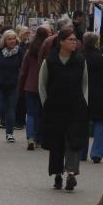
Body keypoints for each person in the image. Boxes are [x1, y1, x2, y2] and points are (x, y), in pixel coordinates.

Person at [40, 28, 89, 191]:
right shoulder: (50, 61)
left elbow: (85, 84)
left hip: (75, 107)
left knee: (73, 141)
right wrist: (45, 103)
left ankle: (71, 174)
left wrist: (84, 102)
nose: (74, 42)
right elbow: (42, 84)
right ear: (61, 41)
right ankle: (57, 174)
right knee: (57, 142)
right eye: (70, 40)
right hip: (54, 108)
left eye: (75, 40)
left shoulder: (80, 61)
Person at [18, 26, 51, 149]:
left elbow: (23, 71)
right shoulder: (48, 51)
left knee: (31, 113)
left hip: (30, 85)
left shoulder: (29, 51)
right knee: (42, 113)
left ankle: (30, 138)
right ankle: (39, 139)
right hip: (44, 86)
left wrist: (21, 86)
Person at [83, 31, 103, 162]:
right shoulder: (101, 57)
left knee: (81, 123)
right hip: (99, 93)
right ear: (95, 42)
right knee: (99, 123)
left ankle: (81, 153)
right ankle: (97, 153)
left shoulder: (79, 56)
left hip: (83, 93)